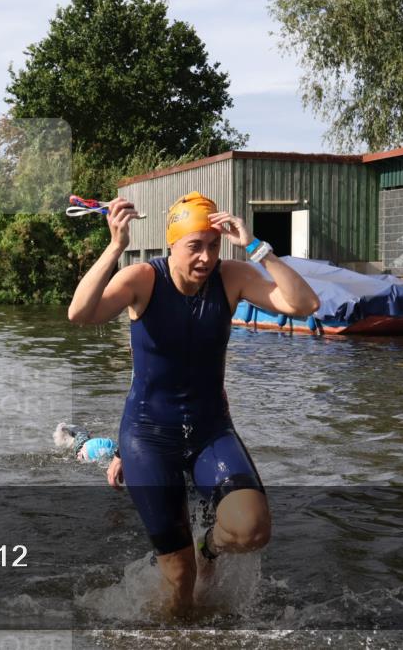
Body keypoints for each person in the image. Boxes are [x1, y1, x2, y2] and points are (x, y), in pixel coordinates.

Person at [68, 191, 320, 616]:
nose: (205, 258)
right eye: (194, 246)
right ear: (172, 244)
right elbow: (80, 313)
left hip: (210, 430)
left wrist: (258, 248)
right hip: (148, 436)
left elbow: (304, 305)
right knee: (180, 580)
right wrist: (115, 247)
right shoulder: (144, 279)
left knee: (252, 528)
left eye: (213, 245)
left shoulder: (232, 276)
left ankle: (208, 548)